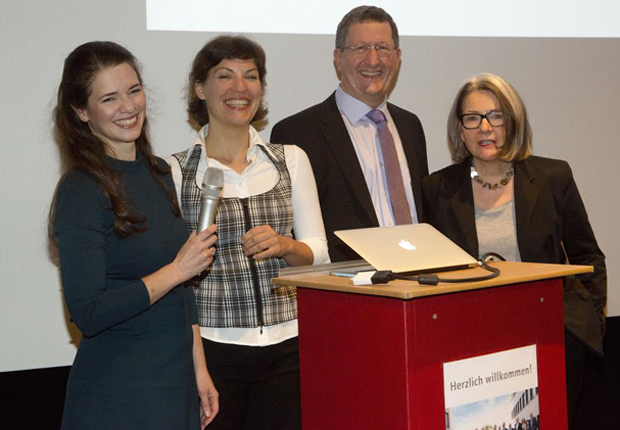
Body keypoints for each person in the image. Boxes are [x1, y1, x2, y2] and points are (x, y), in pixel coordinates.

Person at [423, 73, 606, 429]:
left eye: (496, 116)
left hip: (552, 337)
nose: (485, 128)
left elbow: (588, 257)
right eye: (472, 118)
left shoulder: (553, 176)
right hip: (471, 344)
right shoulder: (437, 188)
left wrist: (592, 322)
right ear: (460, 130)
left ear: (512, 122)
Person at [51, 41, 219, 429]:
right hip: (120, 393)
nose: (128, 107)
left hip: (173, 383)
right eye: (109, 98)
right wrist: (177, 270)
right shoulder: (81, 190)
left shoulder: (158, 172)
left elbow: (182, 294)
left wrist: (200, 370)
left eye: (134, 90)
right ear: (81, 112)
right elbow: (89, 313)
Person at [166, 36, 329, 430]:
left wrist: (286, 246)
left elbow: (320, 253)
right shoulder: (173, 171)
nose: (241, 88)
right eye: (225, 76)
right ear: (200, 89)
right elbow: (176, 278)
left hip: (289, 346)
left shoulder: (290, 159)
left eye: (251, 76)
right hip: (214, 349)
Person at [271, 5, 428, 262]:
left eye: (383, 48)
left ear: (397, 57)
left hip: (418, 283)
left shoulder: (411, 127)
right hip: (346, 291)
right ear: (338, 58)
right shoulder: (297, 133)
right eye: (361, 48)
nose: (374, 60)